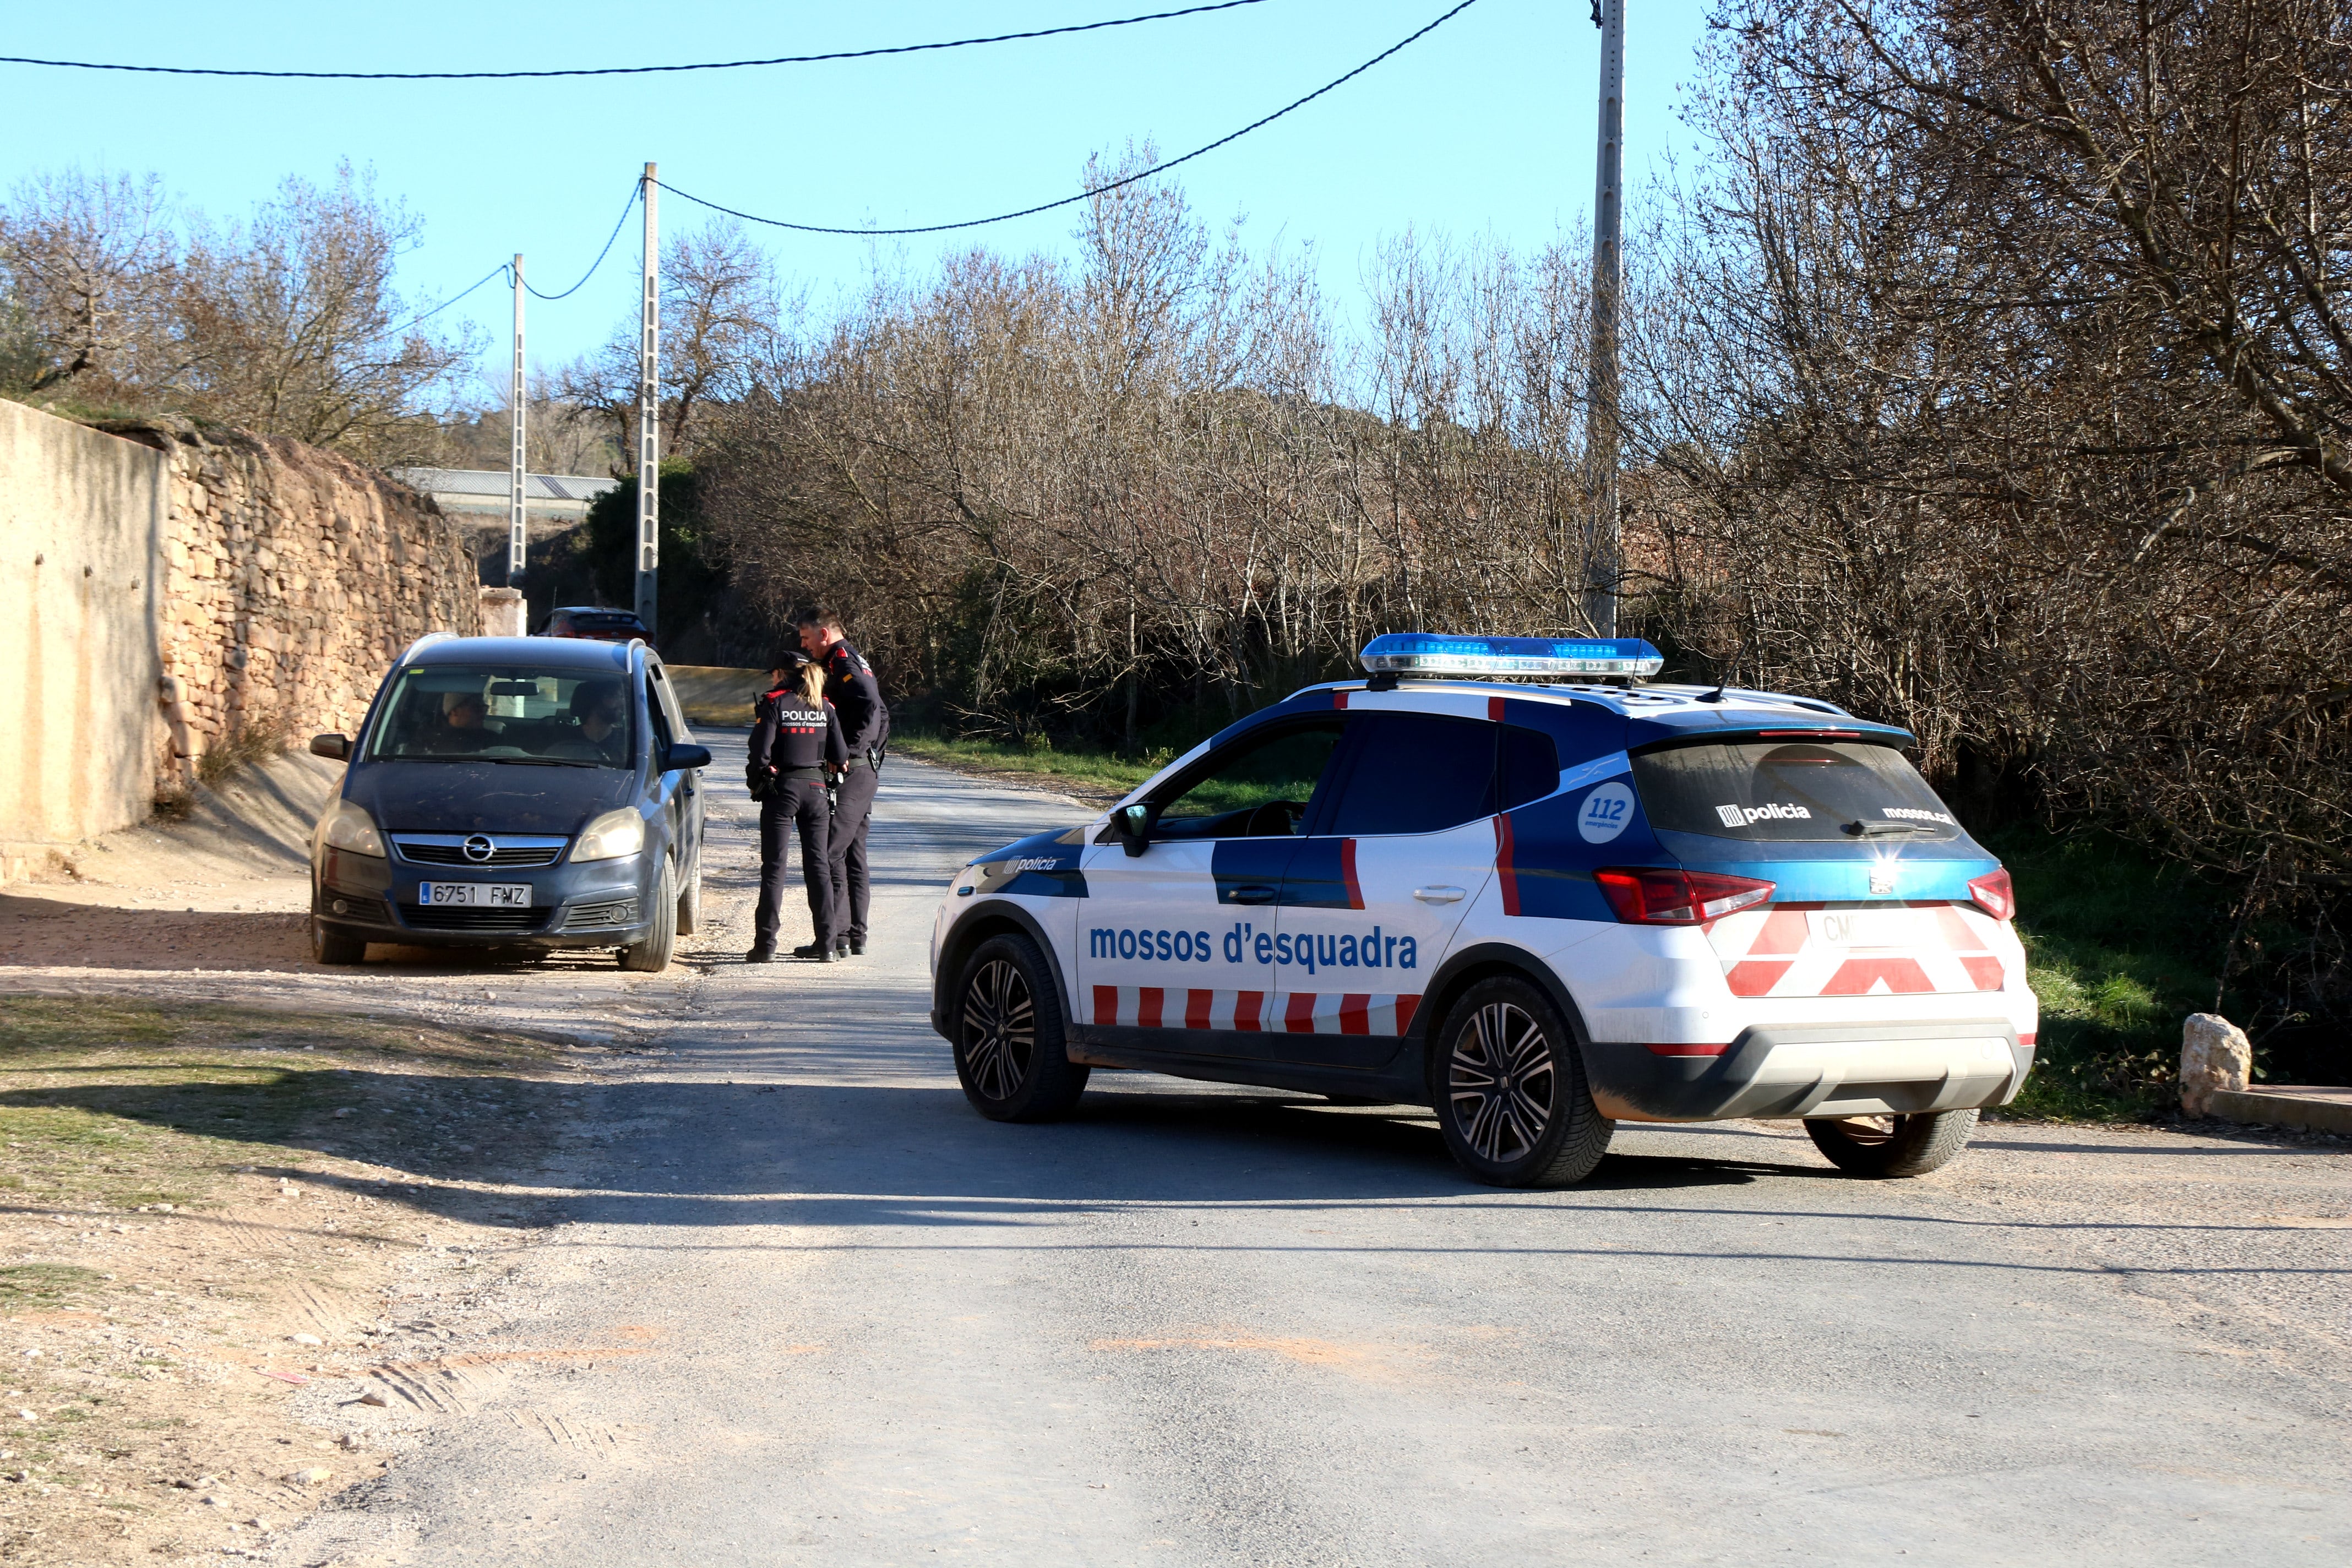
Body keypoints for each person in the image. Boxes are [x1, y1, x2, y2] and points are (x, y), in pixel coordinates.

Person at [797, 609, 889, 957]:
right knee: (853, 853)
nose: (804, 646)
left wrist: (851, 752)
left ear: (824, 634)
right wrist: (873, 753)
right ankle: (854, 935)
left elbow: (871, 704)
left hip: (855, 771)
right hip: (863, 768)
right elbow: (883, 712)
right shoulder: (848, 660)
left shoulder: (845, 664)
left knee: (829, 850)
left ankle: (832, 937)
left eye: (806, 638)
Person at [746, 650, 846, 963]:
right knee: (819, 867)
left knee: (775, 868)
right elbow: (840, 754)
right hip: (816, 790)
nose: (772, 678)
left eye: (774, 673)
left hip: (783, 790)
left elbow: (760, 753)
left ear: (781, 674)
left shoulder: (775, 703)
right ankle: (827, 945)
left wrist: (757, 779)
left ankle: (766, 946)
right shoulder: (824, 705)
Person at [555, 680, 628, 765]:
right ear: (593, 701)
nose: (622, 703)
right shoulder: (563, 741)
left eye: (622, 697)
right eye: (614, 696)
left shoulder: (628, 741)